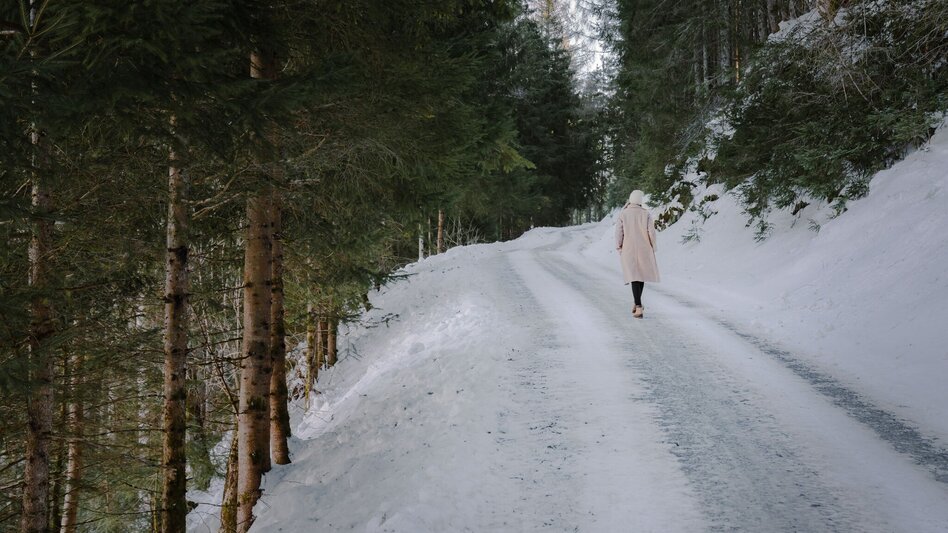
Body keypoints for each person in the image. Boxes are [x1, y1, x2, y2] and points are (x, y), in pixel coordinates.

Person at [615, 189, 659, 318]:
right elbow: (651, 232)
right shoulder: (646, 214)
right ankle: (637, 303)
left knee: (634, 276)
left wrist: (619, 247)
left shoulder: (623, 214)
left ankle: (638, 306)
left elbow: (618, 232)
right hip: (644, 248)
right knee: (641, 275)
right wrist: (653, 246)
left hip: (628, 249)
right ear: (640, 201)